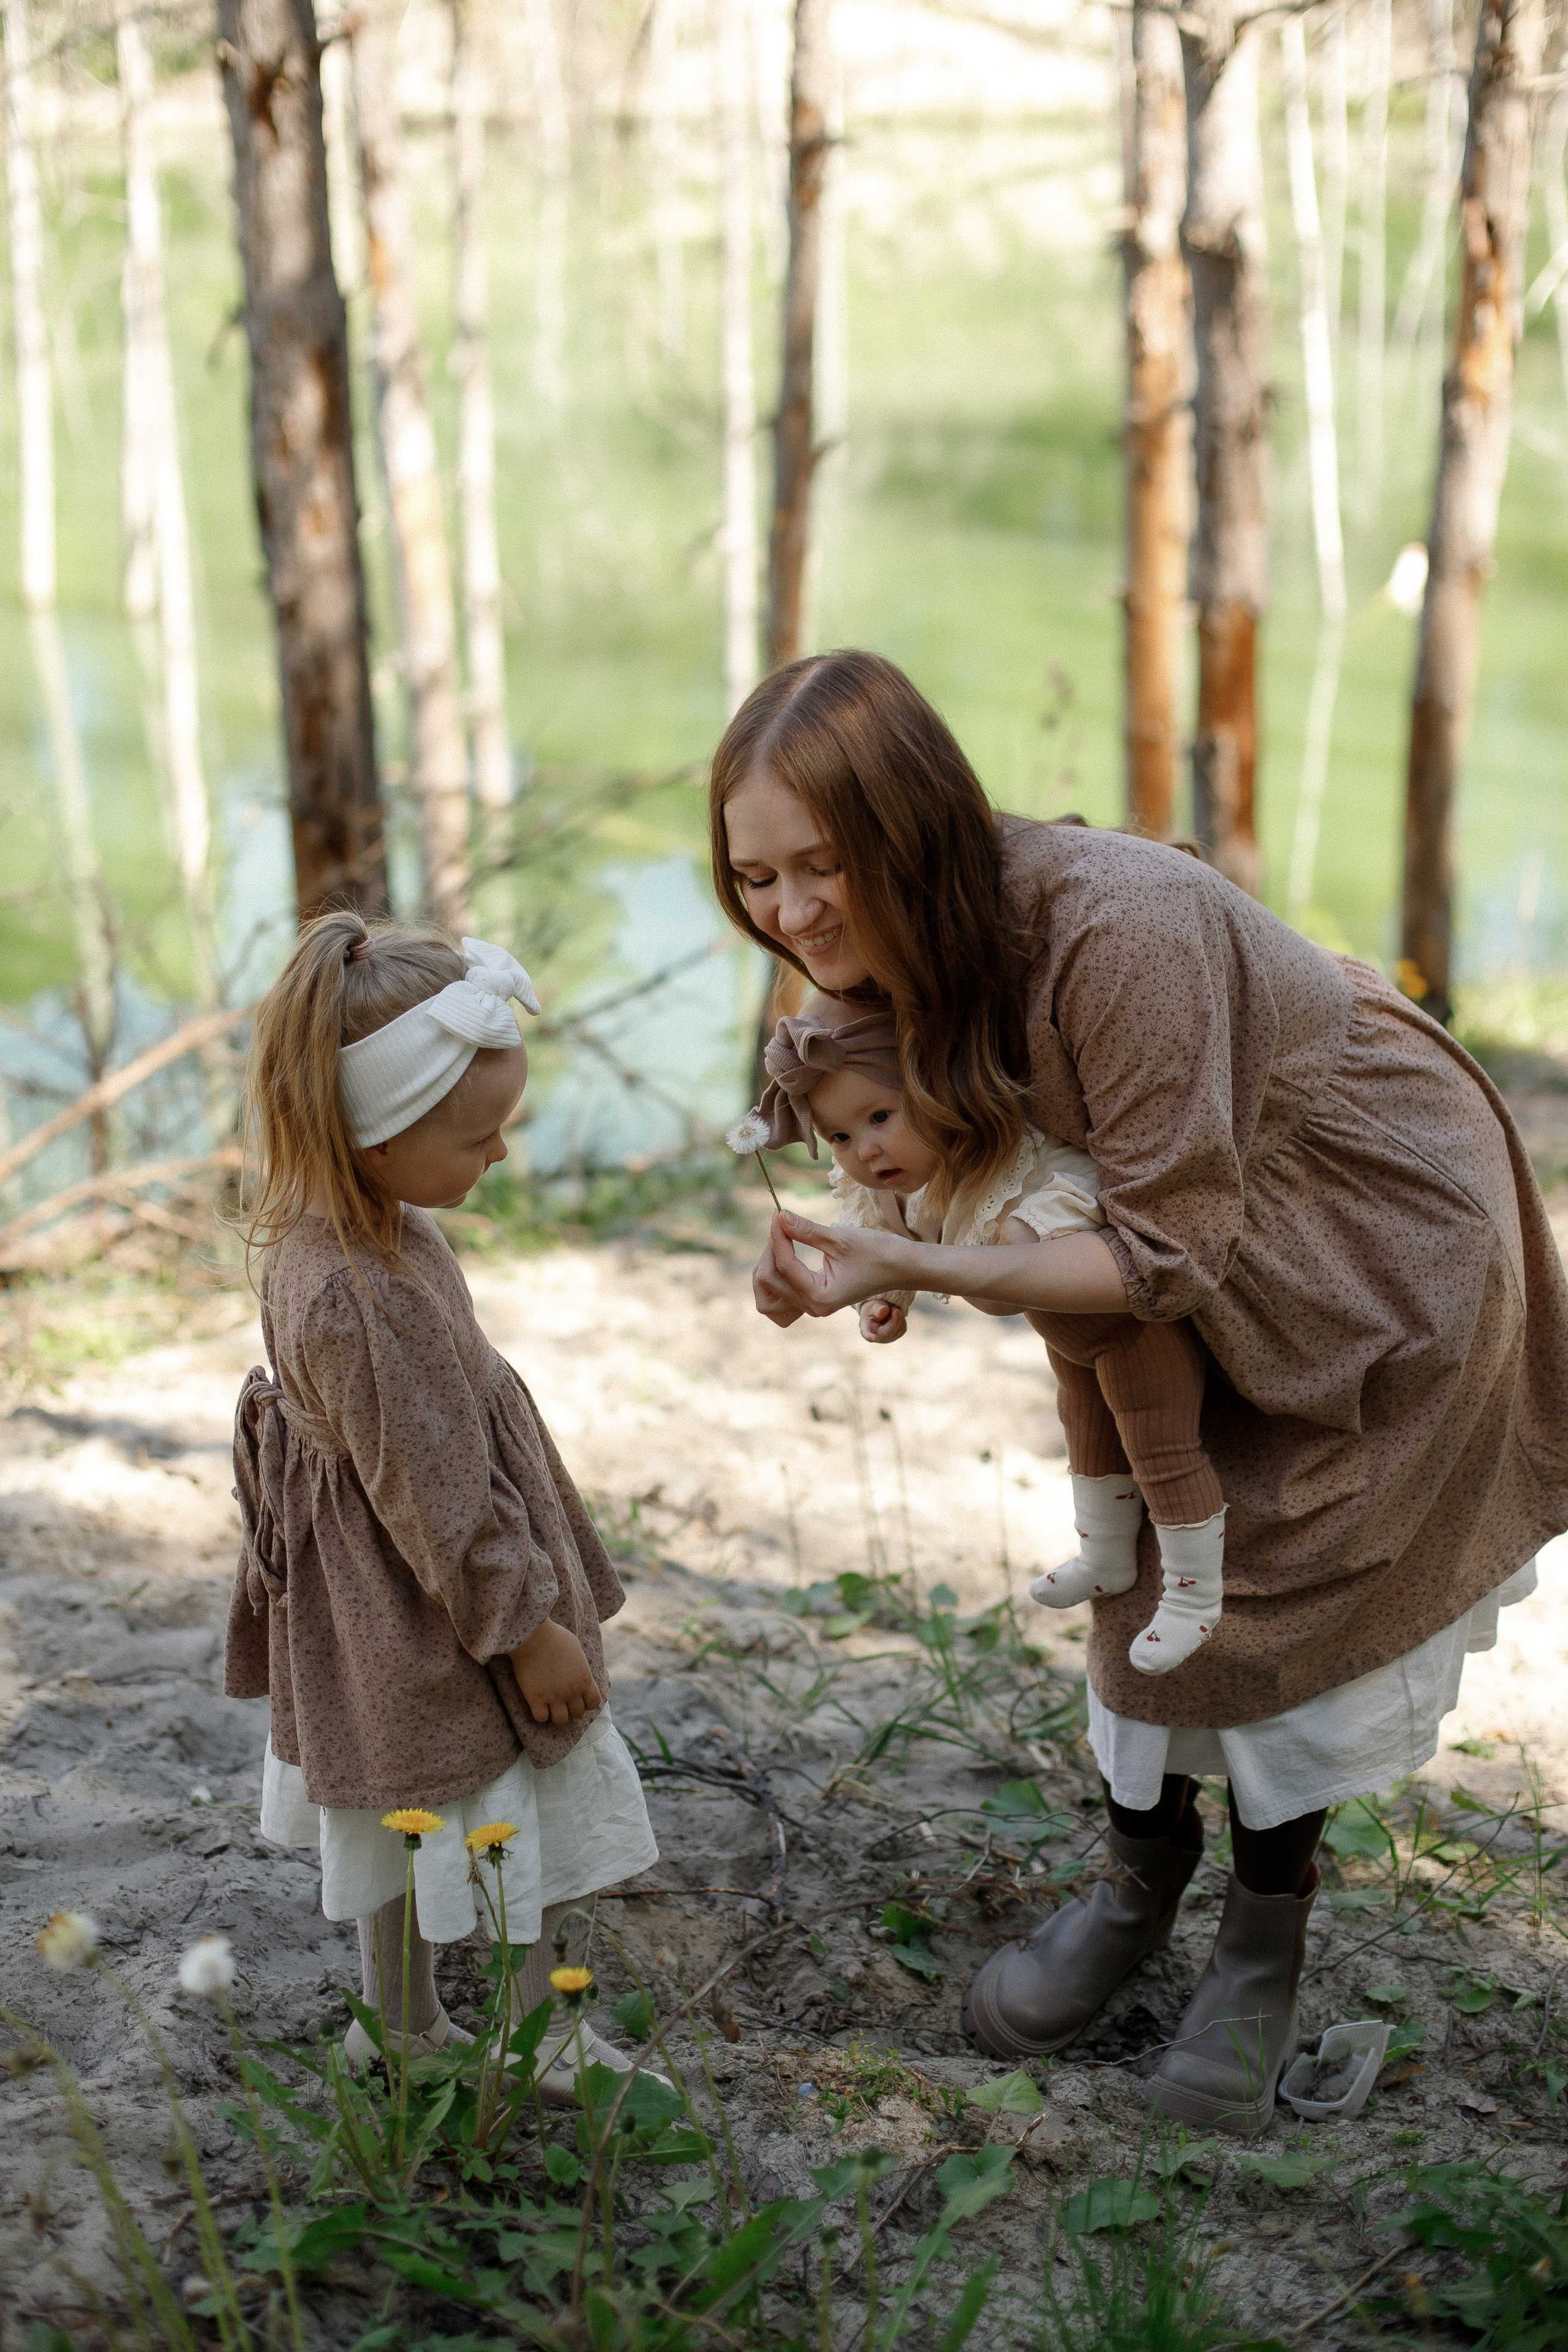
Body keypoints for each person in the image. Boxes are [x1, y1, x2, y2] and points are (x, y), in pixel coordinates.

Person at [709, 649, 1568, 2137]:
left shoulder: (1121, 931)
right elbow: (939, 1138)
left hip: (1359, 1231)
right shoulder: (871, 950)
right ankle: (1132, 1884)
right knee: (1147, 1579)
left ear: (909, 827)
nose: (790, 913)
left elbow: (1161, 1251)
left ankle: (1258, 1944)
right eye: (755, 876)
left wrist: (925, 1265)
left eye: (822, 864)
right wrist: (871, 1248)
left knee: (1280, 1576)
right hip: (1169, 1251)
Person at [224, 915, 658, 2101]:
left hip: (400, 1586)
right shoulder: (356, 1294)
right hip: (435, 1601)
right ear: (372, 1136)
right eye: (477, 1137)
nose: (500, 1158)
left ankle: (403, 2023)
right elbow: (436, 1500)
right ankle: (541, 2032)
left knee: (403, 1801)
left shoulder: (361, 1231)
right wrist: (523, 1631)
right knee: (507, 1789)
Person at [757, 1000, 1229, 1673]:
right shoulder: (909, 1184)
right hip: (1067, 1339)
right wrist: (887, 1298)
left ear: (934, 1092)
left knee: (1160, 1445)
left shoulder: (1009, 1153)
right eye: (837, 1137)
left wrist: (1025, 1232)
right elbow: (888, 1242)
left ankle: (1191, 1599)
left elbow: (1086, 1182)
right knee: (1088, 1435)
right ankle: (1104, 1554)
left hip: (1133, 1330)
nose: (864, 1149)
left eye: (881, 1118)